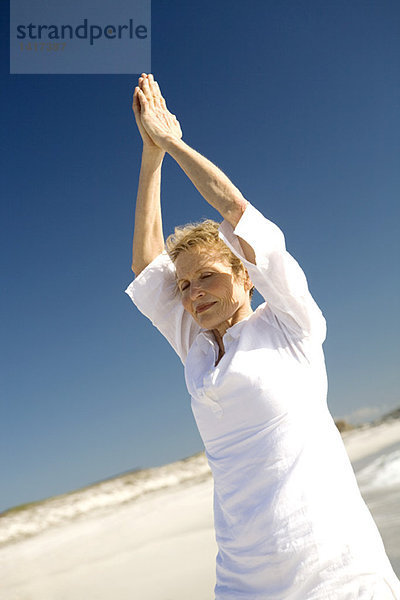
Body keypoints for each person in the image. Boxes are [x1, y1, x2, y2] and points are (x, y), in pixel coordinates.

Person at [125, 73, 400, 599]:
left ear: (245, 274)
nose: (193, 292)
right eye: (184, 285)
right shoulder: (196, 348)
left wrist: (172, 141)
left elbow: (235, 211)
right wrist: (149, 156)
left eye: (207, 275)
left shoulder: (291, 323)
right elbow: (145, 262)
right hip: (241, 585)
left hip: (335, 576)